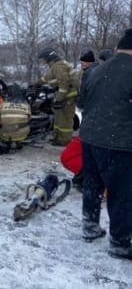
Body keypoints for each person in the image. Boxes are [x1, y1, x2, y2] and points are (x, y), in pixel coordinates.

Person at [79, 28, 132, 260]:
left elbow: (81, 103)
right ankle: (119, 242)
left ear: (119, 47)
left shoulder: (94, 71)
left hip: (90, 137)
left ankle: (90, 227)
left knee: (92, 184)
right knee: (121, 193)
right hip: (119, 143)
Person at [37, 48, 78, 146]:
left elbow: (64, 84)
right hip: (62, 95)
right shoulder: (55, 66)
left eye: (44, 59)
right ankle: (57, 137)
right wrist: (36, 83)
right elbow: (47, 78)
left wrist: (59, 99)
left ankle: (64, 140)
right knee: (59, 118)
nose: (44, 62)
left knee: (65, 119)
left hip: (67, 97)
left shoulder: (59, 66)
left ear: (48, 58)